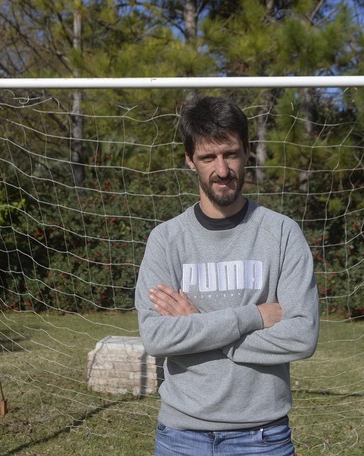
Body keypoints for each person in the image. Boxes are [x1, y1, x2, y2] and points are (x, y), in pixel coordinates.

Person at [134, 95, 319, 455]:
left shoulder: (281, 234)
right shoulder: (167, 239)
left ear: (247, 151)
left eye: (230, 153)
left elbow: (301, 336)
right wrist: (253, 316)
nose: (222, 169)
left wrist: (198, 324)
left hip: (263, 437)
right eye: (207, 157)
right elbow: (156, 337)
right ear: (190, 160)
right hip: (180, 436)